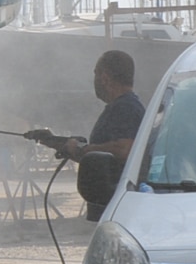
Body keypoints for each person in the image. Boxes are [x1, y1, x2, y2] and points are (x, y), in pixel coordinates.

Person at [43, 50, 144, 220]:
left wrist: (84, 148)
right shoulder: (120, 107)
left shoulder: (126, 107)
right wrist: (55, 142)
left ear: (104, 77)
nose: (94, 80)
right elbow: (99, 158)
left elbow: (125, 149)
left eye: (95, 74)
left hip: (117, 207)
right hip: (108, 206)